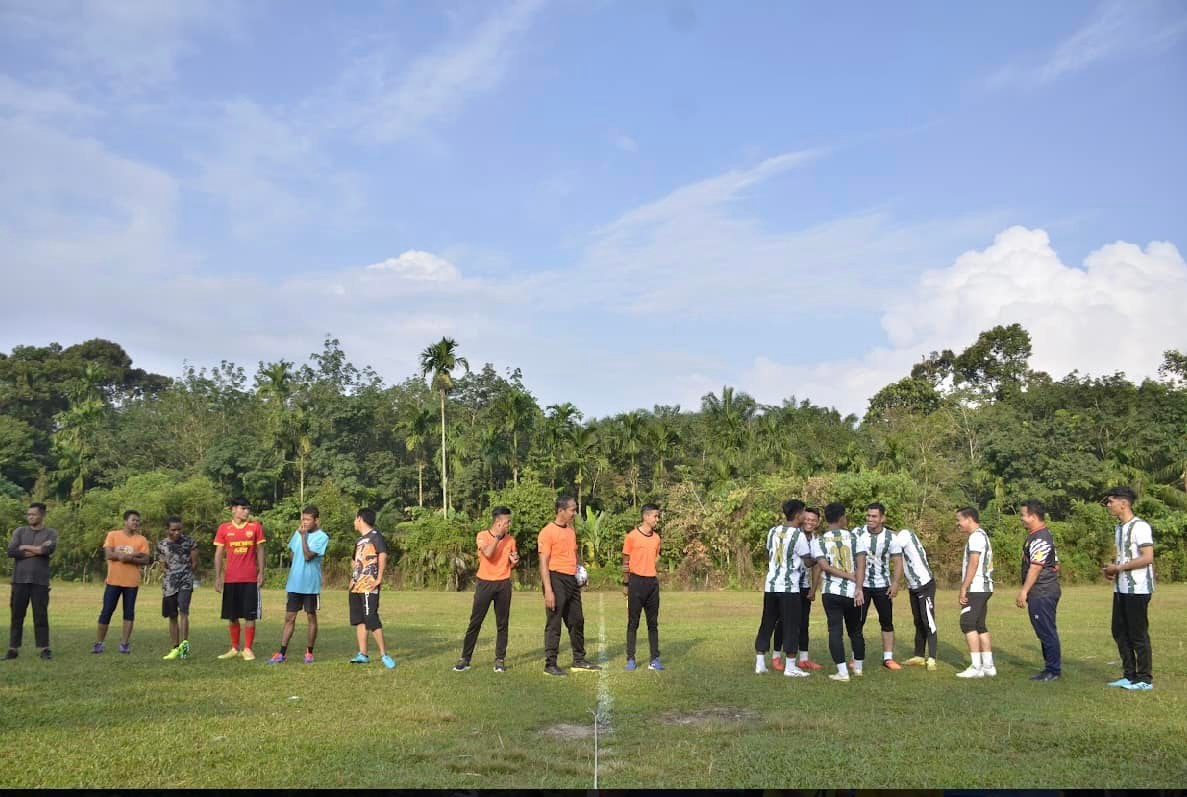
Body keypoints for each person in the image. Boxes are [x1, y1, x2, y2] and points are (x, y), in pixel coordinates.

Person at [454, 506, 520, 673]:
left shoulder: (511, 540)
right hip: (485, 583)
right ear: (498, 523)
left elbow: (512, 563)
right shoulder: (482, 536)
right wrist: (497, 538)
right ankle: (465, 659)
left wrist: (515, 560)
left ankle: (500, 660)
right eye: (507, 522)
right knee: (475, 622)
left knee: (502, 623)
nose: (509, 525)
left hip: (503, 584)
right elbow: (489, 554)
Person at [539, 496, 600, 676]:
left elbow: (574, 556)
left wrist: (581, 574)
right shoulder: (547, 532)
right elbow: (543, 563)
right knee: (554, 622)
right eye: (572, 510)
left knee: (577, 620)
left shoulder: (571, 531)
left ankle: (579, 660)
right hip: (555, 578)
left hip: (571, 580)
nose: (575, 513)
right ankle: (550, 664)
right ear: (561, 511)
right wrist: (548, 590)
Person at [753, 499, 814, 678]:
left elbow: (770, 553)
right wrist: (818, 557)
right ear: (797, 515)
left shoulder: (773, 531)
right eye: (803, 512)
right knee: (791, 625)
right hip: (789, 588)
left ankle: (760, 663)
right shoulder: (799, 535)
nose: (805, 516)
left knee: (767, 622)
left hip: (771, 585)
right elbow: (807, 561)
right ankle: (790, 667)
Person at [1102, 486, 1155, 691]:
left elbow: (1147, 557)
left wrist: (1120, 567)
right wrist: (1111, 570)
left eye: (1110, 501)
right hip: (1121, 588)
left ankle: (1144, 679)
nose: (1108, 505)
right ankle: (1129, 675)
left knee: (1137, 633)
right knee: (1119, 630)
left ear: (1123, 503)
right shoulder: (1119, 528)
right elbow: (1123, 557)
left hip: (1138, 589)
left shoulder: (1140, 527)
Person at [810, 502, 868, 682]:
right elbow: (861, 564)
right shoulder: (854, 537)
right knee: (856, 631)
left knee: (835, 630)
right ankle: (858, 668)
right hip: (853, 592)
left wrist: (844, 576)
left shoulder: (819, 540)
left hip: (831, 592)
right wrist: (858, 586)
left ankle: (842, 672)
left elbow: (824, 567)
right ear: (842, 517)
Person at [268, 506, 330, 665]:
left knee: (311, 616)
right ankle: (281, 653)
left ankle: (309, 652)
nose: (304, 523)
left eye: (308, 519)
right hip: (295, 583)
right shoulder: (298, 533)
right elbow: (293, 553)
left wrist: (303, 537)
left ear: (316, 520)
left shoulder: (322, 537)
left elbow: (308, 556)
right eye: (303, 519)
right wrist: (300, 536)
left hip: (310, 585)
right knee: (289, 618)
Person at [213, 497, 266, 661]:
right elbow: (219, 553)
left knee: (250, 615)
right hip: (230, 579)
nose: (246, 511)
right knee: (232, 615)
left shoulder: (255, 527)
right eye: (243, 508)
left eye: (248, 508)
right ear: (233, 509)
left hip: (250, 578)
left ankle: (248, 648)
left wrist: (261, 572)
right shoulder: (224, 528)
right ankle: (234, 648)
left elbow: (260, 551)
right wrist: (218, 576)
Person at [93, 510, 152, 654]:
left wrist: (130, 558)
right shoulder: (113, 535)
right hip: (113, 581)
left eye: (138, 521)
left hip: (131, 582)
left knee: (129, 613)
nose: (136, 523)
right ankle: (99, 643)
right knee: (106, 612)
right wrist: (129, 555)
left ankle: (124, 644)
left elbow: (146, 559)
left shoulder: (141, 540)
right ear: (125, 521)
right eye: (133, 520)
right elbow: (108, 554)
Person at [773, 506, 824, 672]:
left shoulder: (816, 540)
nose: (809, 522)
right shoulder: (794, 535)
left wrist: (813, 588)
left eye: (813, 520)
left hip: (803, 586)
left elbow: (817, 566)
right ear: (801, 518)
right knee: (783, 622)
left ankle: (804, 659)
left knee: (804, 623)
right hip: (788, 586)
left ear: (818, 522)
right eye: (807, 518)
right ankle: (776, 656)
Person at [5, 503, 58, 661]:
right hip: (19, 580)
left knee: (40, 615)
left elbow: (47, 551)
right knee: (17, 615)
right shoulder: (19, 531)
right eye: (28, 514)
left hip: (40, 581)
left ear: (42, 515)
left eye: (33, 514)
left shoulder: (51, 533)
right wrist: (37, 550)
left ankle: (44, 648)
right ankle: (13, 649)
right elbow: (12, 551)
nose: (30, 517)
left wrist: (26, 547)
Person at [1016, 499, 1061, 682]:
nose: (1021, 519)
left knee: (1046, 631)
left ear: (1033, 516)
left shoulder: (1041, 537)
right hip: (1042, 591)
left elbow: (1036, 567)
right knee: (1043, 630)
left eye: (1023, 515)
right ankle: (1049, 668)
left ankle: (1053, 670)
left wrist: (1024, 591)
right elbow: (1054, 564)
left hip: (1043, 592)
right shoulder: (1036, 535)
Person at [855, 502, 904, 670]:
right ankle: (856, 657)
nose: (870, 519)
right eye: (868, 515)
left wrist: (896, 583)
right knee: (857, 622)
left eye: (874, 516)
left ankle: (888, 658)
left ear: (882, 518)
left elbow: (898, 562)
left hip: (883, 585)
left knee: (887, 622)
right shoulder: (857, 532)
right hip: (862, 585)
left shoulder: (891, 538)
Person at [348, 507, 396, 669]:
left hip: (369, 584)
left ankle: (384, 655)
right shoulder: (358, 541)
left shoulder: (376, 536)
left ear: (360, 518)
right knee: (359, 620)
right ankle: (363, 654)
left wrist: (379, 578)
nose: (354, 522)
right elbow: (354, 561)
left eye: (355, 519)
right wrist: (352, 578)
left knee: (371, 618)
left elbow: (382, 555)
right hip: (356, 586)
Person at [956, 507, 996, 678]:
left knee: (967, 624)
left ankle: (976, 667)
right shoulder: (982, 535)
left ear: (969, 519)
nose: (958, 524)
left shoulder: (976, 537)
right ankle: (988, 666)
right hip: (984, 588)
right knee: (980, 626)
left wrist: (964, 586)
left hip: (976, 587)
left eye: (959, 520)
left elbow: (974, 562)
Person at [622, 503, 663, 672]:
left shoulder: (657, 538)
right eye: (655, 516)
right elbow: (625, 563)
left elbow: (656, 557)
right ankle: (631, 658)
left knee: (653, 623)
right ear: (645, 517)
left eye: (658, 516)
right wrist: (625, 584)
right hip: (636, 582)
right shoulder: (631, 537)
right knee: (633, 622)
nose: (657, 519)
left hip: (652, 583)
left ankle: (654, 659)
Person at [895, 526, 938, 671]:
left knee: (928, 621)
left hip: (924, 584)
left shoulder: (905, 534)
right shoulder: (902, 538)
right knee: (918, 621)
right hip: (913, 587)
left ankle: (932, 658)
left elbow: (893, 546)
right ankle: (919, 656)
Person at [158, 516, 199, 661]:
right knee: (172, 615)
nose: (176, 532)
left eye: (179, 529)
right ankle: (175, 647)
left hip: (185, 582)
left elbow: (194, 563)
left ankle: (184, 646)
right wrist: (168, 572)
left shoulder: (189, 542)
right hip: (169, 584)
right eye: (173, 530)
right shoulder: (162, 544)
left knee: (184, 611)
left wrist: (184, 574)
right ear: (167, 530)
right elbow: (162, 563)